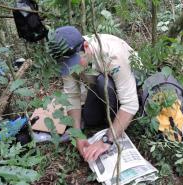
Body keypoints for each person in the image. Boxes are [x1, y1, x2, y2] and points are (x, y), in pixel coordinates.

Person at [52, 26, 139, 161]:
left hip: (127, 81)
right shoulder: (68, 60)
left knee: (102, 81)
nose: (72, 68)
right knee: (90, 118)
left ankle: (116, 119)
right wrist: (77, 134)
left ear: (86, 46)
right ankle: (107, 115)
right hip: (97, 84)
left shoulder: (113, 54)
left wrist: (107, 140)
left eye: (74, 63)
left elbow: (130, 104)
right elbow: (72, 95)